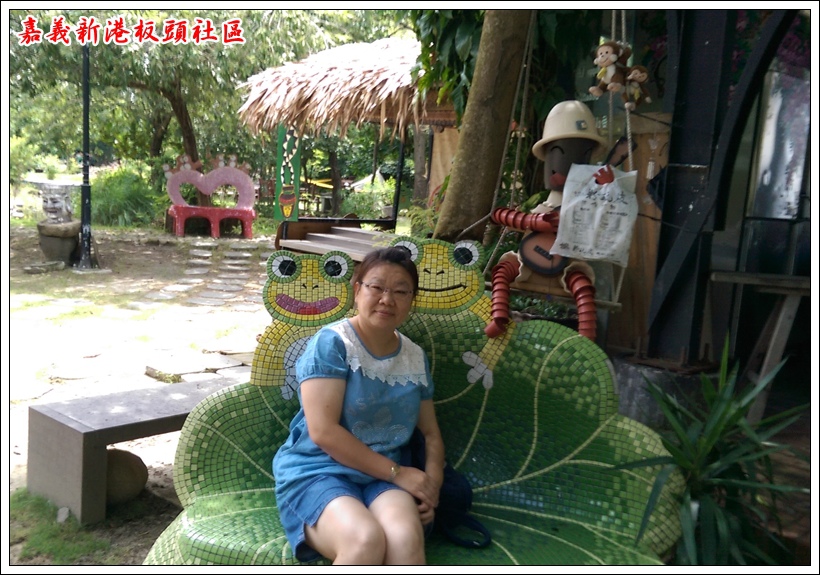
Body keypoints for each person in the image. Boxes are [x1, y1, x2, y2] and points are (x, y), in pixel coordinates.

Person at [273, 246, 445, 565]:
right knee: (365, 540)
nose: (387, 299)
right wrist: (398, 473)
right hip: (319, 470)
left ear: (412, 299)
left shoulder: (414, 356)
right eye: (376, 287)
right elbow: (323, 432)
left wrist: (430, 486)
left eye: (400, 291)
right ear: (357, 291)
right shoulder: (333, 344)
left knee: (405, 541)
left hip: (383, 478)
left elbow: (431, 434)